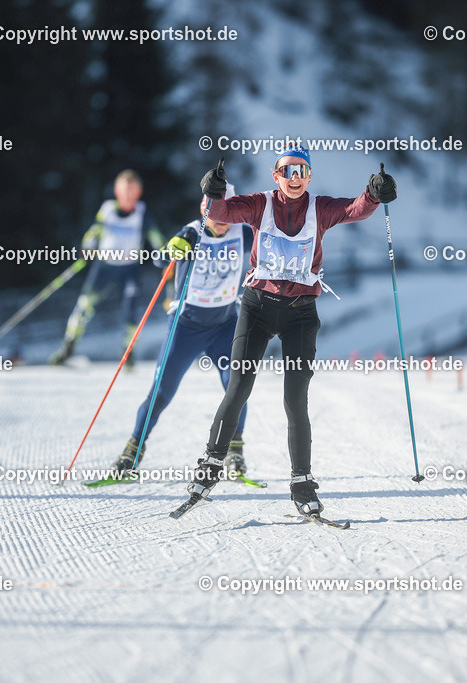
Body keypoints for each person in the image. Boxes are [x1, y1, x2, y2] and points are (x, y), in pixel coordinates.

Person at [180, 146, 396, 516]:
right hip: (257, 308)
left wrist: (374, 193)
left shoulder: (320, 208)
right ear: (275, 175)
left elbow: (355, 209)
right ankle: (211, 464)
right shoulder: (260, 204)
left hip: (300, 314)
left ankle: (301, 481)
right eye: (287, 172)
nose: (294, 179)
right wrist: (213, 191)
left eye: (301, 172)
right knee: (239, 387)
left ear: (309, 176)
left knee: (295, 399)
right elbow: (221, 213)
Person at [111, 189, 254, 476]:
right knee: (162, 391)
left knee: (236, 386)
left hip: (224, 325)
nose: (222, 220)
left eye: (228, 213)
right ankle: (133, 451)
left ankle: (235, 451)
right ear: (205, 210)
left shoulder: (245, 233)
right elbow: (161, 259)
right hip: (185, 327)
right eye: (216, 213)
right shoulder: (192, 232)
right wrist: (171, 249)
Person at [50, 170, 164, 365]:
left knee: (130, 310)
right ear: (117, 191)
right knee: (85, 304)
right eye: (124, 190)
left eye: (132, 190)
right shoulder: (108, 210)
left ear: (139, 192)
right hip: (104, 267)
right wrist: (87, 247)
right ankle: (68, 347)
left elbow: (156, 237)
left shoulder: (142, 213)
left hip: (129, 269)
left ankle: (127, 353)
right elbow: (94, 231)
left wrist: (164, 254)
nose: (128, 195)